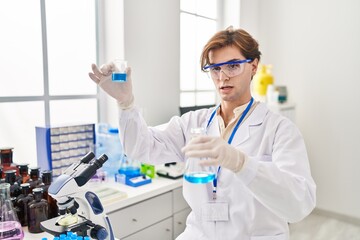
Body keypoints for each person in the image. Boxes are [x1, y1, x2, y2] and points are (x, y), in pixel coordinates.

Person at [89, 26, 316, 240]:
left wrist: (241, 162)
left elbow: (299, 205)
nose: (222, 77)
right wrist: (126, 104)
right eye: (215, 68)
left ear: (254, 66)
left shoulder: (279, 129)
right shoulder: (193, 123)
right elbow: (140, 148)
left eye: (233, 66)